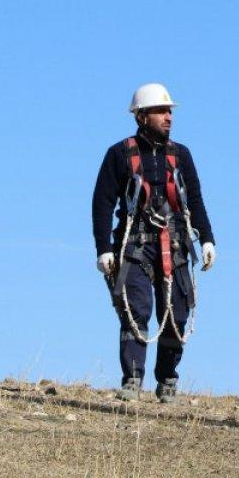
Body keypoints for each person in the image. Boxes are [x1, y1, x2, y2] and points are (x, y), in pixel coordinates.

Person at [91, 83, 216, 402]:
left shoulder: (181, 156)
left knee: (177, 314)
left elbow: (197, 201)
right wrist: (103, 248)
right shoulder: (119, 154)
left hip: (175, 246)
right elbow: (102, 202)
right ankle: (132, 380)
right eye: (162, 111)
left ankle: (168, 380)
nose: (169, 116)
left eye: (170, 111)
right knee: (136, 310)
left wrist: (207, 239)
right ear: (142, 116)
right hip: (134, 246)